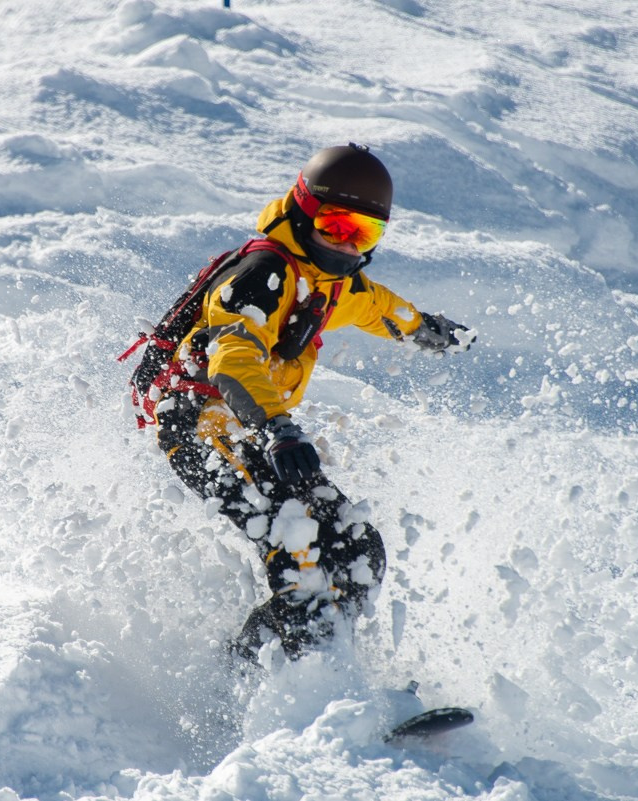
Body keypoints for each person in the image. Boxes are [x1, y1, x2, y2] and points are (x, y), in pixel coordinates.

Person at [152, 143, 471, 666]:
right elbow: (231, 356)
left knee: (355, 549)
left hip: (251, 427)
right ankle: (286, 690)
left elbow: (376, 306)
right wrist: (279, 427)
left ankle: (320, 668)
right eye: (335, 225)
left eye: (363, 234)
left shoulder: (328, 282)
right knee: (300, 554)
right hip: (199, 428)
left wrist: (424, 329)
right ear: (302, 213)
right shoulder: (264, 274)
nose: (346, 245)